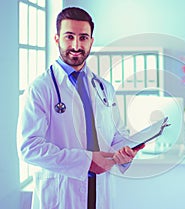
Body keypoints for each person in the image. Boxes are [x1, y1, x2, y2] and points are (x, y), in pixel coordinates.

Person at [17, 7, 144, 209]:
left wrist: (126, 150)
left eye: (83, 37)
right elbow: (29, 148)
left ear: (91, 41)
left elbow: (117, 134)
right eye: (69, 37)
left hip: (100, 188)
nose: (76, 45)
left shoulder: (104, 88)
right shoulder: (40, 88)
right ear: (57, 39)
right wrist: (85, 161)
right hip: (62, 191)